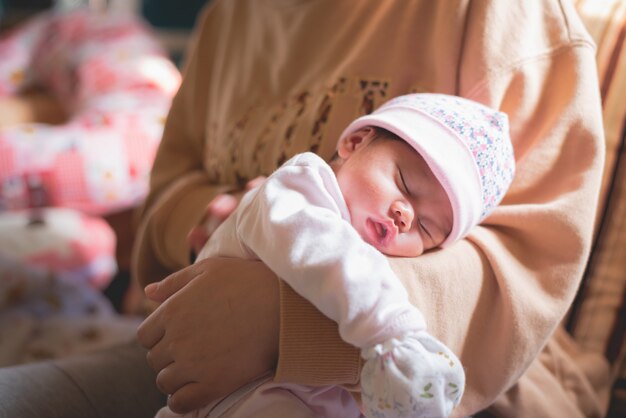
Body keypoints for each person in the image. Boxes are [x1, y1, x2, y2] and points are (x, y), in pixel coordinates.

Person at [0, 1, 610, 418]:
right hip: (203, 367)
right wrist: (224, 223)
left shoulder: (502, 17)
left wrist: (286, 320)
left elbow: (526, 276)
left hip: (447, 389)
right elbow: (164, 196)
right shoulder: (229, 21)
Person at [155, 93, 514, 418]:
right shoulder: (299, 188)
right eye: (404, 183)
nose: (406, 216)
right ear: (355, 143)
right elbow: (330, 257)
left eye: (426, 228)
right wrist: (392, 332)